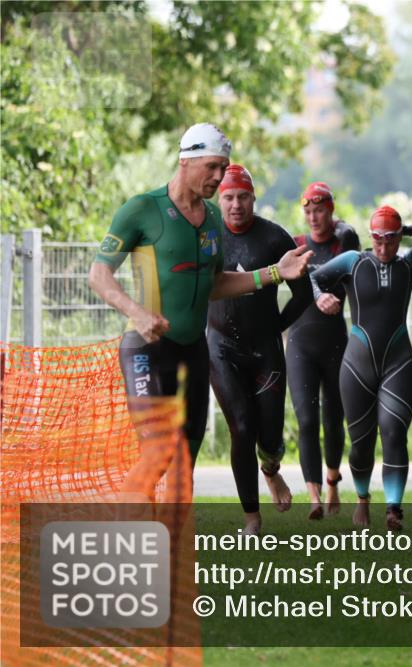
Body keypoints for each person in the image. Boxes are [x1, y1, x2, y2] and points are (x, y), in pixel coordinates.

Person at [88, 123, 311, 497]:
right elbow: (99, 274)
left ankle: (170, 533)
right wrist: (137, 312)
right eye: (212, 166)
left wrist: (275, 272)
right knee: (158, 451)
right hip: (146, 348)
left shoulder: (211, 217)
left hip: (193, 351)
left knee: (185, 463)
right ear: (185, 160)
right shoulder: (143, 209)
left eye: (223, 167)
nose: (219, 176)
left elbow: (215, 284)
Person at [312, 206, 412, 531]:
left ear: (398, 239)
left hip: (398, 362)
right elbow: (313, 276)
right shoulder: (354, 262)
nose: (384, 248)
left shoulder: (408, 264)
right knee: (361, 443)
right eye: (378, 240)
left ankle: (393, 509)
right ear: (370, 237)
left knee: (393, 432)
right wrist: (320, 298)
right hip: (356, 366)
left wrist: (405, 228)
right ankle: (362, 498)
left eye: (391, 240)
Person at [207, 164, 314, 535]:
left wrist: (277, 327)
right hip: (220, 347)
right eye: (228, 198)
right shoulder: (207, 237)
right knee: (241, 426)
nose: (236, 205)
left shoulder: (274, 238)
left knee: (269, 437)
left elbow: (304, 295)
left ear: (253, 198)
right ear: (219, 199)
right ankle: (251, 517)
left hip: (264, 348)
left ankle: (270, 468)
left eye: (243, 197)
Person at [285, 182, 360, 519]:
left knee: (333, 420)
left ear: (330, 211)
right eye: (309, 212)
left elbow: (352, 238)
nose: (314, 217)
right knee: (306, 420)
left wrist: (341, 226)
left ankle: (332, 481)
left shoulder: (343, 243)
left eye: (320, 211)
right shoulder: (297, 245)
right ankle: (313, 495)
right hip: (300, 342)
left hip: (335, 343)